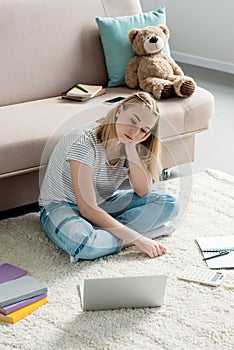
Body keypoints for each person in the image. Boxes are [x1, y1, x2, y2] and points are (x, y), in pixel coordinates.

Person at [39, 92, 179, 263]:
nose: (134, 131)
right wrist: (138, 239)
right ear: (119, 110)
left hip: (102, 203)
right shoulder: (83, 141)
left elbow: (143, 191)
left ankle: (104, 236)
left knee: (170, 204)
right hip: (61, 206)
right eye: (133, 121)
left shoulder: (130, 142)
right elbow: (87, 209)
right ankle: (124, 236)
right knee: (83, 243)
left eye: (144, 130)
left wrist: (131, 148)